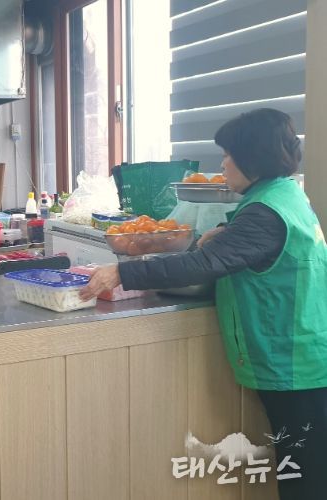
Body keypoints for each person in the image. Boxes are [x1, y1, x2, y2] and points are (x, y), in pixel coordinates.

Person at [79, 108, 326, 500]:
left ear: (253, 157)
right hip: (304, 350)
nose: (222, 164)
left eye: (228, 155)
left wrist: (122, 272)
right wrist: (227, 231)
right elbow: (264, 245)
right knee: (304, 470)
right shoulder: (284, 195)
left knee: (305, 481)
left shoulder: (265, 212)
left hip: (295, 361)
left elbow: (199, 265)